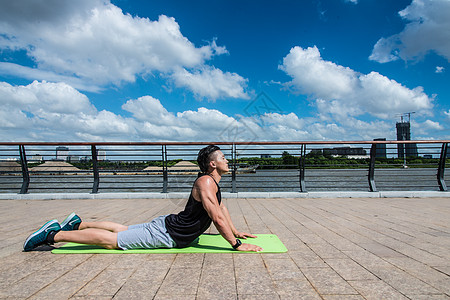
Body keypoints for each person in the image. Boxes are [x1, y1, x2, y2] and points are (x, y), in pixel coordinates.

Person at [24, 145, 263, 252]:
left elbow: (222, 211)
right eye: (223, 158)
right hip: (167, 234)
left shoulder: (211, 183)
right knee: (113, 241)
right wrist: (237, 245)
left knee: (123, 229)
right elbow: (216, 217)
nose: (227, 161)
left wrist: (237, 231)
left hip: (169, 226)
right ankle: (53, 235)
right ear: (213, 164)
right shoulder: (205, 182)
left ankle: (78, 223)